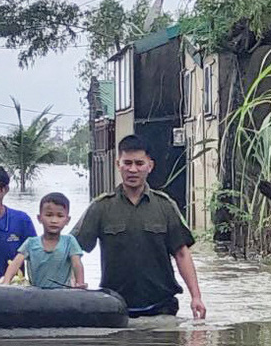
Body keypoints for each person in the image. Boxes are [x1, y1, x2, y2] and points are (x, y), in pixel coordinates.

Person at [72, 135, 206, 319]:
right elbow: (72, 248)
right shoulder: (101, 207)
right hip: (116, 308)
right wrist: (75, 283)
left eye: (139, 163)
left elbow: (182, 253)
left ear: (150, 166)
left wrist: (196, 297)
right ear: (118, 164)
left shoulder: (165, 206)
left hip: (162, 307)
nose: (133, 169)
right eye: (127, 163)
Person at [0, 192, 86, 289]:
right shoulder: (31, 243)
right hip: (37, 293)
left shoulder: (69, 241)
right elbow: (15, 263)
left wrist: (80, 284)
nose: (54, 220)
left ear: (67, 220)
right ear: (39, 218)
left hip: (62, 295)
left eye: (60, 216)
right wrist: (6, 282)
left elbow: (77, 264)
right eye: (49, 215)